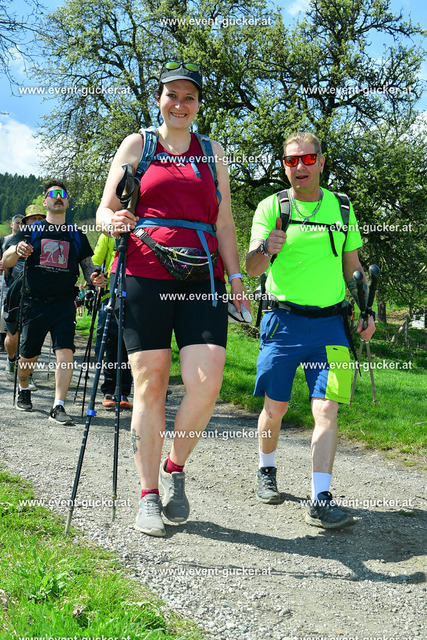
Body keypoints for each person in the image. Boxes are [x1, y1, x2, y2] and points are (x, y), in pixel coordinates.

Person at [96, 61, 249, 537]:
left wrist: (237, 276)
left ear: (198, 104)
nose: (180, 104)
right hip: (143, 272)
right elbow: (106, 207)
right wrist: (112, 222)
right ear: (159, 99)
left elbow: (224, 222)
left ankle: (174, 466)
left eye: (189, 97)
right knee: (151, 382)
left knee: (207, 380)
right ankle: (148, 495)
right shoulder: (138, 145)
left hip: (203, 273)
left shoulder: (212, 152)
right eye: (172, 95)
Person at [246, 131, 375, 529]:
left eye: (306, 159)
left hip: (332, 327)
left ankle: (320, 498)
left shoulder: (342, 207)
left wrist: (365, 309)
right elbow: (251, 267)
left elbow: (352, 266)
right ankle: (266, 470)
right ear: (284, 166)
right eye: (291, 161)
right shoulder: (271, 207)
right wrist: (266, 248)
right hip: (282, 324)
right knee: (275, 408)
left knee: (327, 409)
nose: (299, 167)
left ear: (320, 161)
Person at [2, 182, 106, 424]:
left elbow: (87, 265)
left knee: (65, 353)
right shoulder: (31, 230)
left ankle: (58, 405)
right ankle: (24, 388)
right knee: (28, 357)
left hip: (64, 304)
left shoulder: (76, 234)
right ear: (45, 201)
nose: (58, 197)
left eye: (63, 194)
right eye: (53, 194)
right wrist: (17, 249)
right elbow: (6, 260)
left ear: (67, 202)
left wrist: (93, 276)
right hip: (34, 303)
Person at [2, 208, 43, 387]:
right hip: (15, 294)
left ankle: (28, 374)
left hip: (36, 296)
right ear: (25, 223)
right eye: (32, 219)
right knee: (13, 338)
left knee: (32, 339)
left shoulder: (47, 239)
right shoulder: (15, 239)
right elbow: (6, 260)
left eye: (39, 218)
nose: (36, 222)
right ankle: (12, 359)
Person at [92, 232, 133, 410]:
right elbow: (96, 260)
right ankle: (109, 391)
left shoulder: (142, 231)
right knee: (111, 342)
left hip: (134, 293)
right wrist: (95, 275)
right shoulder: (108, 235)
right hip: (110, 296)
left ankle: (123, 391)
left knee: (129, 344)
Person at [1, 214, 24, 352]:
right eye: (17, 223)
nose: (20, 225)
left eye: (22, 223)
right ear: (11, 224)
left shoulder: (28, 239)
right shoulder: (4, 240)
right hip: (6, 282)